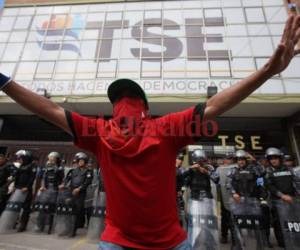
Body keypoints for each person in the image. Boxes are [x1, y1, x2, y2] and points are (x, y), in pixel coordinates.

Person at [0, 13, 299, 249]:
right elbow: (214, 106)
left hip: (117, 240)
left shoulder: (98, 131)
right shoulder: (164, 127)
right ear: (145, 107)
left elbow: (48, 109)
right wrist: (267, 72)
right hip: (169, 242)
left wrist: (4, 82)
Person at [265, 147, 300, 248]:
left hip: (292, 200)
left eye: (275, 158)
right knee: (279, 223)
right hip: (277, 201)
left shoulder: (289, 169)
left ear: (280, 158)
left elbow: (296, 183)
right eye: (271, 159)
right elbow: (269, 186)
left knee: (294, 220)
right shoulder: (268, 172)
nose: (273, 160)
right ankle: (283, 243)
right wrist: (282, 195)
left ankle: (295, 238)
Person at [60, 152, 93, 237]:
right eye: (79, 161)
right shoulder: (73, 170)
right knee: (68, 210)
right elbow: (67, 179)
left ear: (85, 162)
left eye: (82, 161)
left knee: (76, 212)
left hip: (80, 194)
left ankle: (73, 230)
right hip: (71, 192)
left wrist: (79, 189)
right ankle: (66, 229)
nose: (80, 162)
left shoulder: (88, 171)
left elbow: (87, 182)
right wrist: (63, 184)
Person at [34, 151, 64, 234]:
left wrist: (61, 185)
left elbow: (62, 179)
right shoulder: (45, 167)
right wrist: (42, 186)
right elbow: (42, 177)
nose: (51, 159)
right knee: (42, 207)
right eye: (50, 157)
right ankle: (39, 225)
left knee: (51, 208)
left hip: (54, 189)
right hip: (45, 189)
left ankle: (49, 227)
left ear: (56, 159)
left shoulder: (60, 168)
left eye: (53, 158)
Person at [13, 150, 37, 232]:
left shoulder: (32, 165)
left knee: (26, 208)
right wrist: (15, 186)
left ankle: (23, 225)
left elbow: (32, 178)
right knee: (15, 206)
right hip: (18, 188)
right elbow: (17, 177)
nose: (19, 160)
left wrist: (27, 187)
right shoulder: (21, 166)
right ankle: (14, 222)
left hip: (26, 189)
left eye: (21, 158)